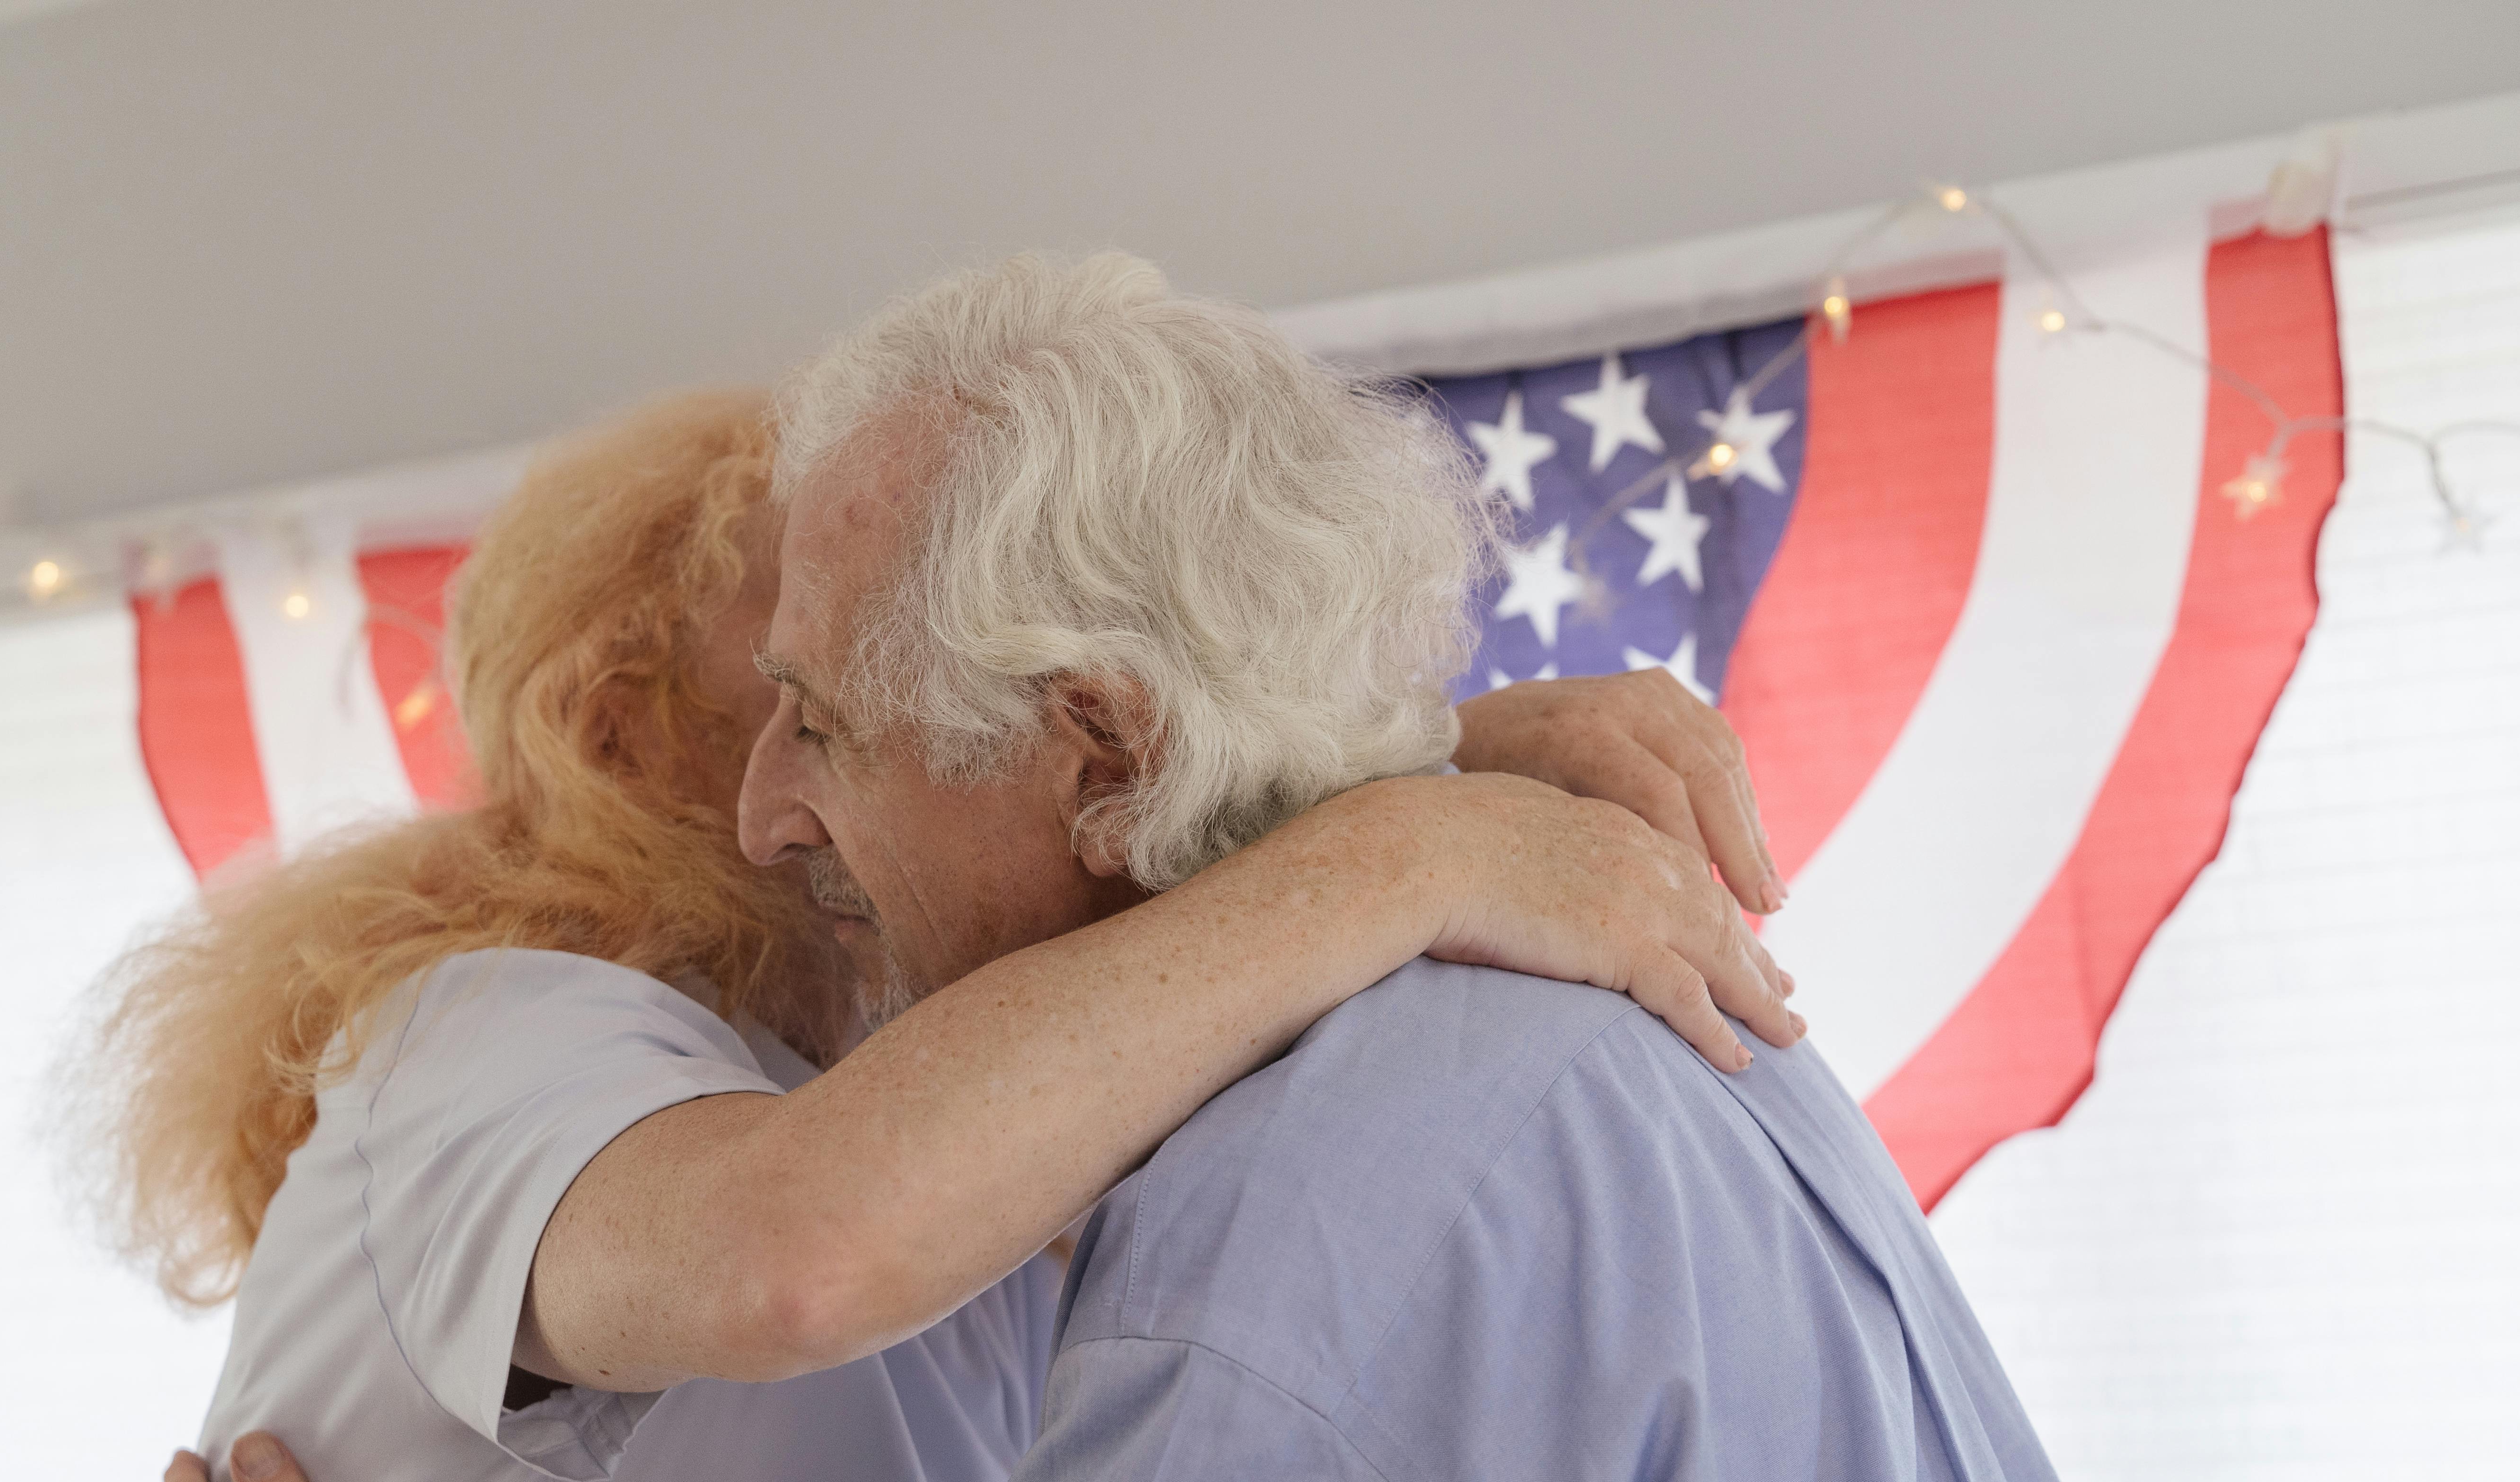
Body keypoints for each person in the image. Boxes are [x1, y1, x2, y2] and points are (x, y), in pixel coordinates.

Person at [103, 382, 1801, 1481]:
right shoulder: (496, 1029)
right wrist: (1403, 842)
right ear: (618, 738)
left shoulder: (919, 1100)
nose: (914, 700)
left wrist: (1398, 755)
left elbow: (1086, 960)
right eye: (801, 671)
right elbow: (796, 1251)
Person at [730, 252, 2057, 1479]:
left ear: (1108, 763)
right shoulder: (1605, 989)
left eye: (822, 726)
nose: (761, 818)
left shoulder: (1260, 1285)